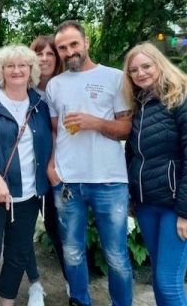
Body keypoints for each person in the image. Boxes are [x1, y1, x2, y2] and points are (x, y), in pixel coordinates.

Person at [46, 20, 133, 306]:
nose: (69, 52)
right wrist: (51, 167)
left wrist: (94, 122)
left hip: (109, 180)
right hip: (68, 182)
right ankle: (79, 300)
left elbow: (126, 129)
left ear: (86, 43)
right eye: (62, 48)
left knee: (116, 256)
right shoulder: (55, 85)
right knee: (71, 251)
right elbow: (54, 132)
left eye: (73, 44)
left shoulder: (115, 77)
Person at [123, 42, 187, 305]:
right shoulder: (141, 105)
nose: (140, 73)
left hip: (176, 207)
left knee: (169, 282)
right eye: (134, 70)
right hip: (148, 205)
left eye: (146, 66)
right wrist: (133, 197)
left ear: (159, 65)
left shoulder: (186, 100)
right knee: (159, 280)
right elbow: (134, 155)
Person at [0, 45, 52, 306]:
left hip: (28, 195)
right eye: (10, 66)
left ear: (31, 70)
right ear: (1, 71)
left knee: (17, 255)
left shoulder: (40, 104)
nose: (16, 70)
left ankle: (7, 301)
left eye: (22, 66)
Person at [25, 36, 66, 305]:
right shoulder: (20, 89)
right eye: (39, 54)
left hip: (61, 172)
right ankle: (35, 283)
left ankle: (71, 279)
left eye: (50, 53)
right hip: (28, 172)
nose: (45, 58)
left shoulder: (65, 88)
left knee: (58, 227)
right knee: (23, 229)